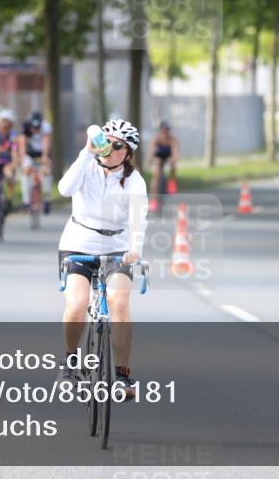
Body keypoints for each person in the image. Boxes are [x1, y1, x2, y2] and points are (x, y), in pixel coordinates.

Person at [57, 118, 147, 398]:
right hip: (78, 241)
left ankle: (122, 375)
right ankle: (70, 363)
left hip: (117, 246)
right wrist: (86, 153)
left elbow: (138, 220)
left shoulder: (134, 181)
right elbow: (64, 189)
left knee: (119, 302)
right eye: (106, 141)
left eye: (117, 145)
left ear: (128, 152)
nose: (109, 148)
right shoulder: (87, 166)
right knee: (77, 304)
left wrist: (134, 249)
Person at [18, 111, 53, 214]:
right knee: (26, 171)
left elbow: (46, 141)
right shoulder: (25, 127)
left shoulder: (46, 126)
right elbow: (22, 142)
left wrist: (45, 156)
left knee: (46, 170)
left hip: (42, 152)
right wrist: (23, 155)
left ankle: (47, 199)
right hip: (29, 152)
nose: (35, 129)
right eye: (33, 127)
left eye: (37, 127)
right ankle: (26, 201)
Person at [147, 121, 179, 193]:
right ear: (160, 131)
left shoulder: (172, 140)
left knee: (172, 166)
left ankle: (171, 184)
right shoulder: (156, 139)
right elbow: (151, 151)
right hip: (159, 156)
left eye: (167, 130)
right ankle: (153, 194)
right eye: (163, 130)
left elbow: (175, 152)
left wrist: (174, 160)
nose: (165, 133)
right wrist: (150, 160)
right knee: (156, 173)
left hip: (168, 155)